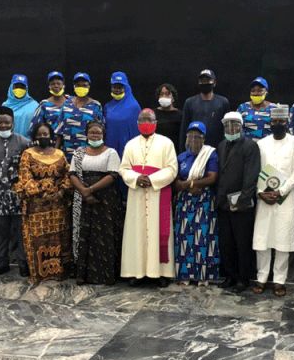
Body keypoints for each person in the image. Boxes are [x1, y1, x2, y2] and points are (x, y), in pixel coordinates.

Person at [119, 109, 178, 287]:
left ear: (156, 122)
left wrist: (151, 179)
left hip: (157, 193)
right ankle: (135, 272)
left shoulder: (166, 143)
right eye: (143, 120)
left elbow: (172, 169)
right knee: (136, 232)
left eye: (149, 119)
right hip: (137, 192)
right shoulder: (130, 144)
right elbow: (123, 168)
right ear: (137, 123)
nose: (146, 122)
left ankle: (160, 272)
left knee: (158, 231)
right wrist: (137, 178)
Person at [252, 105, 294, 297]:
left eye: (281, 121)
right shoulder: (261, 144)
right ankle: (262, 277)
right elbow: (255, 171)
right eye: (274, 121)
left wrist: (281, 191)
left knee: (283, 239)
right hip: (263, 198)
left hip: (286, 198)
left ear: (287, 122)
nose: (278, 124)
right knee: (262, 239)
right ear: (270, 123)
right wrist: (260, 193)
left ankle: (279, 280)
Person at [13, 123, 72, 284]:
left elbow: (68, 174)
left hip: (58, 204)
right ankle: (40, 273)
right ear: (35, 137)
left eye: (46, 134)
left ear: (51, 135)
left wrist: (61, 190)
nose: (43, 137)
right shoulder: (28, 154)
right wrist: (42, 190)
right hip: (36, 205)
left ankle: (58, 272)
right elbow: (25, 177)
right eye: (40, 134)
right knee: (37, 238)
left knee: (58, 237)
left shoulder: (59, 154)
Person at [69, 121, 123, 285]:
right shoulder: (78, 153)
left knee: (104, 235)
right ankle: (83, 274)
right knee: (85, 235)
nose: (95, 136)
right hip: (83, 199)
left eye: (98, 133)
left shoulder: (111, 153)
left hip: (106, 200)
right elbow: (72, 174)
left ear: (103, 135)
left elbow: (113, 175)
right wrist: (84, 192)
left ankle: (106, 275)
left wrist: (91, 189)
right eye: (92, 133)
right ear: (86, 134)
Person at [0, 106, 30, 277]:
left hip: (17, 196)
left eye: (6, 122)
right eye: (0, 122)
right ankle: (2, 263)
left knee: (20, 232)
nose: (3, 125)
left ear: (13, 123)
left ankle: (24, 263)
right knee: (0, 233)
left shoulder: (24, 142)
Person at [216, 111, 260, 293]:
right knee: (227, 242)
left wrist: (241, 201)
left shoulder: (250, 146)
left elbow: (251, 176)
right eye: (227, 125)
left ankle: (243, 278)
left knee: (242, 243)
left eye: (234, 125)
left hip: (241, 205)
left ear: (241, 127)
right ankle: (230, 276)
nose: (230, 128)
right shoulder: (221, 145)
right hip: (223, 204)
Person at [174, 121, 219, 286]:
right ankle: (185, 275)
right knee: (184, 237)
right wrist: (190, 185)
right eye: (190, 136)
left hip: (204, 200)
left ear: (204, 138)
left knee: (203, 237)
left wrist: (191, 184)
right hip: (185, 201)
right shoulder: (181, 157)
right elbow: (176, 182)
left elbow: (212, 178)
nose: (194, 139)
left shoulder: (210, 154)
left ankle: (203, 276)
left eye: (197, 136)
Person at [56, 72, 104, 161]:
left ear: (89, 86)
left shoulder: (95, 106)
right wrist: (55, 152)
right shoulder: (66, 103)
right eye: (78, 85)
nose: (81, 87)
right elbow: (59, 131)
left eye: (84, 85)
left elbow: (101, 132)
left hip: (88, 154)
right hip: (67, 154)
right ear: (74, 86)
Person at [179, 69, 230, 149]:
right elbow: (184, 129)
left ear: (214, 82)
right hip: (195, 148)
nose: (205, 83)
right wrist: (183, 152)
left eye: (208, 80)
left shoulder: (223, 102)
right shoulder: (190, 102)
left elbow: (226, 129)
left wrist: (225, 150)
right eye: (202, 80)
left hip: (217, 149)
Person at [104, 71, 141, 160]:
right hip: (110, 148)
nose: (117, 90)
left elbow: (137, 132)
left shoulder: (134, 107)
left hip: (128, 150)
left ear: (126, 87)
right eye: (114, 87)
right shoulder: (107, 107)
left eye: (120, 87)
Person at [155, 83, 182, 151]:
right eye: (161, 94)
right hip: (157, 150)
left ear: (173, 97)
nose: (164, 96)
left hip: (174, 151)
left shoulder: (180, 115)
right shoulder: (153, 114)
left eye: (167, 94)